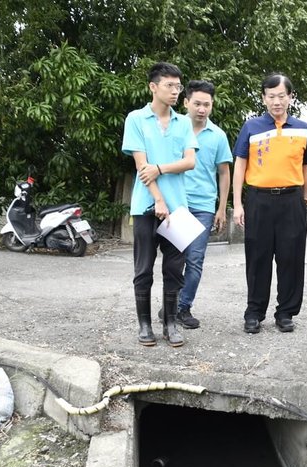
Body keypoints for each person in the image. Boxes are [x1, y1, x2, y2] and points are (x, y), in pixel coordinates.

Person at [232, 73, 307, 334]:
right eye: (271, 96)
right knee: (257, 258)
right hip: (259, 199)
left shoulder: (303, 128)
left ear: (290, 97)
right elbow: (239, 167)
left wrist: (304, 199)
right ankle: (254, 312)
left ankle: (286, 312)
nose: (277, 101)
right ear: (264, 98)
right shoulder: (251, 127)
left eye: (282, 96)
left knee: (291, 258)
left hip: (292, 200)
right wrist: (238, 203)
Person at [122, 62, 197, 347]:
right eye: (170, 85)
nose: (175, 91)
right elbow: (142, 167)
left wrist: (161, 168)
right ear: (153, 87)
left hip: (178, 209)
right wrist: (158, 199)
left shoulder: (183, 123)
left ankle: (170, 323)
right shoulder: (136, 119)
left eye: (178, 86)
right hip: (145, 207)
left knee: (174, 270)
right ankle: (144, 325)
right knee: (143, 268)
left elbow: (190, 161)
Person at [172, 80, 232, 329]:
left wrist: (221, 208)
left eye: (206, 104)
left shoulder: (217, 135)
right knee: (174, 260)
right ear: (186, 102)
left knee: (195, 259)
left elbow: (224, 172)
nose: (201, 109)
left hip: (203, 206)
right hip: (177, 203)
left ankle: (183, 307)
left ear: (212, 106)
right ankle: (170, 303)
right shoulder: (172, 129)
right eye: (197, 103)